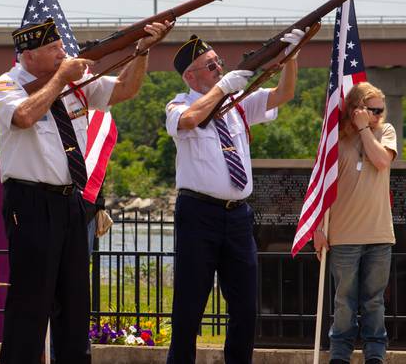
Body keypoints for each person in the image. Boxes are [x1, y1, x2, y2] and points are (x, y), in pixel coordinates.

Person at [0, 17, 169, 364]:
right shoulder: (8, 83)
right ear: (28, 56)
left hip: (70, 201)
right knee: (31, 303)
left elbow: (124, 89)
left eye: (61, 46)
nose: (63, 53)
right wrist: (61, 78)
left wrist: (142, 52)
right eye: (53, 48)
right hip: (30, 202)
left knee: (74, 304)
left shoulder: (76, 82)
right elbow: (24, 117)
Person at [164, 31, 304, 364]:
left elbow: (283, 94)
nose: (218, 68)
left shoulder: (237, 104)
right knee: (189, 306)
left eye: (218, 64)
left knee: (244, 306)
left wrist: (292, 59)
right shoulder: (180, 103)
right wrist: (223, 87)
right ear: (190, 76)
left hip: (238, 216)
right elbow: (189, 120)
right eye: (210, 66)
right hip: (198, 213)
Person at [312, 82, 397, 364]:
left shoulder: (384, 131)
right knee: (344, 301)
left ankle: (375, 354)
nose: (377, 114)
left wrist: (365, 129)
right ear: (356, 108)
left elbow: (382, 161)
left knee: (374, 301)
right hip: (344, 234)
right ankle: (340, 354)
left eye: (380, 110)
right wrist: (318, 228)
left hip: (379, 233)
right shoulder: (335, 138)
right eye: (372, 110)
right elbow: (322, 186)